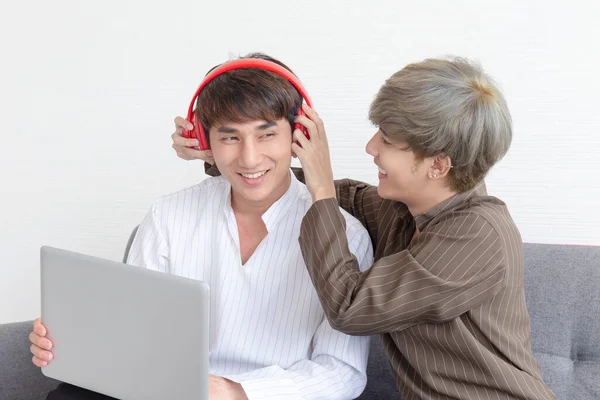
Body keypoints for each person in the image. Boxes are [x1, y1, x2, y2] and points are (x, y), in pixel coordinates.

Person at [173, 57, 556, 399]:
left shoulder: (479, 235)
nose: (371, 147)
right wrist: (223, 153)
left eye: (387, 140)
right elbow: (306, 190)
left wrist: (321, 184)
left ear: (438, 165)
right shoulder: (402, 207)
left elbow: (349, 307)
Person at [29, 53, 373, 400]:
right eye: (230, 138)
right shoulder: (169, 215)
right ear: (205, 142)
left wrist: (234, 391)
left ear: (299, 135)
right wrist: (68, 344)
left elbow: (341, 372)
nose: (250, 158)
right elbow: (136, 336)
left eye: (266, 134)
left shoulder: (348, 237)